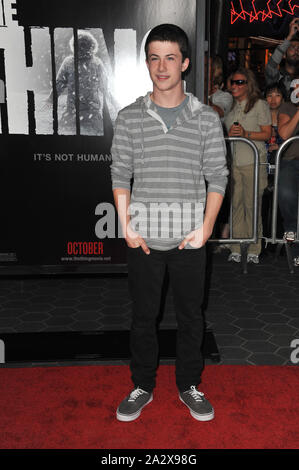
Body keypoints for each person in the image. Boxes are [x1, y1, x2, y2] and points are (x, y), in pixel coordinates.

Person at [110, 24, 228, 422]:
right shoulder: (129, 117)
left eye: (170, 57)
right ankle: (142, 384)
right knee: (143, 317)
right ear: (147, 63)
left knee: (192, 317)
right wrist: (126, 223)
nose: (162, 67)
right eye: (154, 58)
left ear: (185, 63)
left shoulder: (206, 119)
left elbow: (218, 175)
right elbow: (119, 173)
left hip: (190, 239)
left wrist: (207, 228)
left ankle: (189, 385)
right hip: (143, 237)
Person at [224, 67, 271, 263]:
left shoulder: (259, 105)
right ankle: (236, 247)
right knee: (236, 205)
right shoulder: (231, 106)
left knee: (252, 205)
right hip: (234, 162)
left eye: (240, 82)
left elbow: (267, 134)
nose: (235, 85)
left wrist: (245, 134)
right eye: (233, 82)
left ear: (248, 84)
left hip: (253, 161)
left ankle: (253, 248)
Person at [46, 30, 118, 135]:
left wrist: (115, 103)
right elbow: (59, 83)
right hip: (74, 112)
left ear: (91, 46)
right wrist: (51, 99)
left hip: (90, 113)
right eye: (79, 45)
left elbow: (105, 88)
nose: (81, 48)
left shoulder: (96, 63)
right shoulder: (69, 62)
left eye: (84, 45)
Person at [277, 82, 299, 266]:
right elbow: (284, 133)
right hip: (291, 161)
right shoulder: (287, 107)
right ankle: (291, 230)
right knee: (286, 193)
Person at [265, 17, 299, 99]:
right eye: (292, 47)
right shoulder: (276, 77)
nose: (296, 51)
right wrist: (289, 36)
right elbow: (271, 65)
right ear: (283, 55)